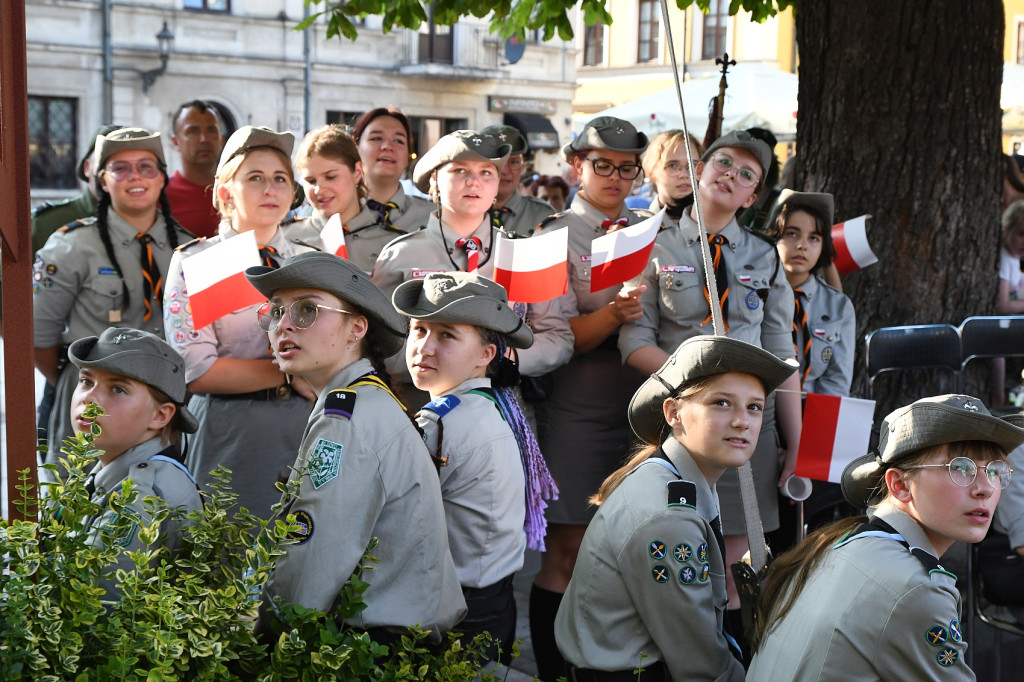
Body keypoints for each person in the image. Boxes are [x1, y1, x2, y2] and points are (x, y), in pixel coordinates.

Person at [618, 130, 801, 649]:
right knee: (676, 552)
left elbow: (783, 356)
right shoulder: (653, 242)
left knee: (736, 561)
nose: (730, 175)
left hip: (748, 430)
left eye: (747, 174)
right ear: (700, 170)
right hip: (679, 421)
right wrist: (697, 384)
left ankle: (729, 661)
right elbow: (634, 341)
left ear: (753, 196)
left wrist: (796, 445)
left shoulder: (765, 257)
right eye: (722, 162)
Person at [247, 251, 466, 643]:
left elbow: (313, 560)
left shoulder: (346, 419)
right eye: (275, 311)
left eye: (307, 311)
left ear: (357, 328)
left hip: (374, 647)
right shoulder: (361, 399)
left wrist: (266, 644)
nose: (284, 326)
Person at [555, 335, 796, 682]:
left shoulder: (677, 478)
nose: (743, 421)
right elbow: (698, 664)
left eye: (754, 406)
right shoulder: (668, 515)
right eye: (722, 403)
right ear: (674, 413)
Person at [748, 394, 1023, 681]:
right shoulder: (916, 588)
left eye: (995, 470)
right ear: (900, 485)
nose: (986, 489)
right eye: (960, 468)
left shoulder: (838, 543)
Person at [529, 116, 650, 681]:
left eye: (627, 168)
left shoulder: (652, 229)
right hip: (577, 405)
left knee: (624, 555)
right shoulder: (552, 238)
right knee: (569, 553)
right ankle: (556, 673)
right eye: (603, 164)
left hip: (643, 406)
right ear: (577, 166)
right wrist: (610, 316)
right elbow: (545, 339)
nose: (616, 177)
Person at [395, 272, 557, 663]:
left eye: (446, 335)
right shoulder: (493, 405)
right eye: (418, 331)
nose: (424, 348)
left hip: (456, 611)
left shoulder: (443, 422)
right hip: (492, 601)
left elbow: (394, 517)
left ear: (486, 354)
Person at [163, 126, 316, 521]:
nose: (271, 189)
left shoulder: (312, 261)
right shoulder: (199, 262)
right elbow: (197, 371)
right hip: (229, 434)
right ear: (226, 192)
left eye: (280, 179)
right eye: (256, 178)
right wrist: (285, 376)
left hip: (309, 430)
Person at [372, 130, 573, 412]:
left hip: (505, 412)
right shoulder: (400, 255)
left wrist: (499, 358)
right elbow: (376, 344)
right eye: (459, 170)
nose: (473, 181)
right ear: (435, 180)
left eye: (486, 172)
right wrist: (443, 360)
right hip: (418, 411)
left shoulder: (524, 253)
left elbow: (558, 339)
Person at [35, 127, 192, 467]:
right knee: (78, 502)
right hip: (96, 403)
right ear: (102, 180)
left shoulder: (188, 248)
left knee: (160, 502)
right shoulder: (72, 245)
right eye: (120, 168)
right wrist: (90, 377)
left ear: (162, 178)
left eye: (146, 167)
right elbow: (38, 338)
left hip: (163, 406)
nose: (135, 177)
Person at [67, 327, 203, 597]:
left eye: (117, 389)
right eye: (86, 381)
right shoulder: (113, 469)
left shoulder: (139, 495)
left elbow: (97, 607)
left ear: (160, 416)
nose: (89, 398)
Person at [769, 190, 856, 549]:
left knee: (815, 528)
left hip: (818, 418)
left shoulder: (837, 306)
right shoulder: (756, 299)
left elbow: (837, 383)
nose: (802, 245)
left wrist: (804, 448)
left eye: (814, 237)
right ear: (773, 238)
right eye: (791, 233)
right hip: (766, 419)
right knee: (773, 533)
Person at [293, 124, 398, 273]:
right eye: (310, 181)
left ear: (357, 172)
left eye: (330, 177)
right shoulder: (286, 240)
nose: (319, 189)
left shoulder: (393, 245)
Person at [31, 124, 125, 256]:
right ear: (87, 167)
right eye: (103, 162)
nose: (114, 173)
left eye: (123, 167)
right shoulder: (45, 223)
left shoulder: (153, 223)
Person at [352, 107, 434, 232]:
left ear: (407, 156)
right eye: (377, 138)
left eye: (398, 141)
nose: (387, 146)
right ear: (356, 148)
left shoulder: (433, 219)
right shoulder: (334, 214)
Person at [480, 124, 554, 237]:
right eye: (498, 163)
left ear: (523, 166)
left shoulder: (543, 215)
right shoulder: (462, 212)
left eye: (514, 162)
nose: (505, 171)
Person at [166, 101, 225, 239]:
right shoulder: (160, 197)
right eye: (193, 131)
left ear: (221, 139)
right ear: (176, 142)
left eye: (211, 130)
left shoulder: (240, 191)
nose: (204, 139)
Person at [642, 129, 704, 228]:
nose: (684, 174)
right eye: (672, 165)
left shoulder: (716, 225)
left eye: (692, 165)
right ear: (652, 171)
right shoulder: (639, 227)